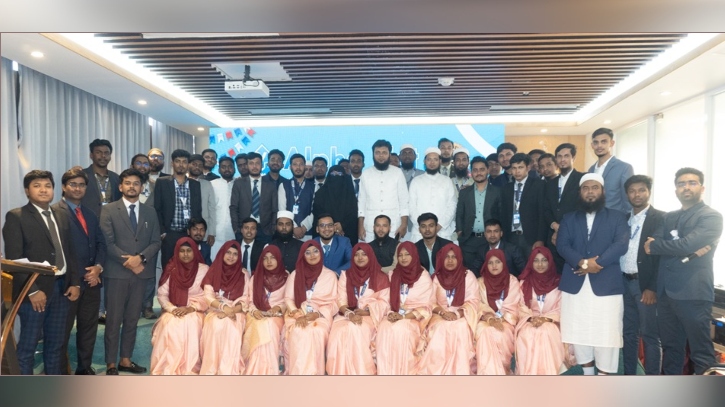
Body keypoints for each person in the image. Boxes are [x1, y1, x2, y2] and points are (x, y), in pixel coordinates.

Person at [646, 167, 723, 375]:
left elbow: (685, 245)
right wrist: (677, 246)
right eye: (681, 184)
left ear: (702, 188)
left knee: (701, 353)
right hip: (666, 294)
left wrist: (662, 246)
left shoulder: (711, 216)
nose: (686, 187)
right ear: (676, 190)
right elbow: (653, 244)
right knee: (671, 349)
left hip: (693, 293)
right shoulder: (668, 217)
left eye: (692, 183)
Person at [3, 170, 81, 375]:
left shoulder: (61, 214)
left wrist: (74, 282)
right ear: (27, 191)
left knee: (56, 346)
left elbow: (70, 252)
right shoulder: (16, 216)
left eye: (47, 186)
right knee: (27, 347)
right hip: (34, 292)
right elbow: (15, 260)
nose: (43, 190)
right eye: (37, 186)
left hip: (62, 289)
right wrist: (32, 291)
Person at [557, 173, 629, 375]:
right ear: (580, 192)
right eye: (586, 188)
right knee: (579, 332)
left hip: (607, 285)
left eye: (595, 187)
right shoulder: (569, 218)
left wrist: (597, 263)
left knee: (606, 333)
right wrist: (582, 262)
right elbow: (562, 245)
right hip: (576, 284)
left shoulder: (617, 217)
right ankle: (588, 377)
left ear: (603, 191)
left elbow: (621, 244)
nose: (590, 192)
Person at [99, 168, 162, 375]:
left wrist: (140, 258)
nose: (132, 187)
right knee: (113, 319)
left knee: (132, 319)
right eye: (128, 183)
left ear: (141, 187)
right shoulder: (109, 210)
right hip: (117, 273)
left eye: (136, 183)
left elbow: (155, 242)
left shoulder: (150, 212)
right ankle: (110, 362)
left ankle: (125, 360)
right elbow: (107, 243)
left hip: (141, 274)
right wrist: (130, 261)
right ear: (120, 186)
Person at [53, 168, 106, 375]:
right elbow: (60, 251)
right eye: (73, 184)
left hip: (92, 282)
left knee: (88, 329)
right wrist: (75, 279)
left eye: (81, 185)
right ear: (64, 187)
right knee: (61, 332)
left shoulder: (90, 214)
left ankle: (84, 369)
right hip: (67, 285)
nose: (77, 188)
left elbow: (101, 244)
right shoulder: (54, 213)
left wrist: (98, 268)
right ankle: (59, 372)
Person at [618, 175, 664, 375]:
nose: (637, 194)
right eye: (632, 191)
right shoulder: (623, 219)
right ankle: (630, 376)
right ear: (627, 194)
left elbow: (662, 258)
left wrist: (652, 287)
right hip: (623, 283)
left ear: (649, 192)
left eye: (641, 190)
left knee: (650, 336)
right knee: (628, 334)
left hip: (644, 285)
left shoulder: (661, 218)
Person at [326, 243, 391, 375]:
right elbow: (341, 299)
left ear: (370, 256)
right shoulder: (346, 275)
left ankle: (361, 373)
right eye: (356, 255)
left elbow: (385, 303)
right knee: (338, 333)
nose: (360, 258)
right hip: (346, 315)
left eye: (364, 254)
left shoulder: (381, 277)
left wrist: (366, 311)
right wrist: (350, 314)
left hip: (370, 316)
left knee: (355, 329)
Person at [417, 244, 480, 375]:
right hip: (440, 314)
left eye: (453, 257)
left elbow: (473, 301)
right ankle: (438, 371)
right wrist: (442, 312)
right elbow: (430, 301)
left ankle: (459, 371)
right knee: (440, 327)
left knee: (460, 327)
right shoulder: (436, 277)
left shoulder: (468, 276)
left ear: (459, 258)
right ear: (441, 259)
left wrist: (457, 314)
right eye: (447, 257)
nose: (450, 260)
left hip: (462, 314)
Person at [150, 238, 209, 375]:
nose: (185, 254)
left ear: (195, 252)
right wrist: (172, 309)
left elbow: (208, 295)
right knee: (170, 324)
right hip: (174, 309)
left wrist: (191, 308)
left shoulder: (203, 270)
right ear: (177, 252)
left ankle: (189, 368)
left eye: (189, 251)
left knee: (191, 323)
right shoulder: (172, 269)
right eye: (182, 251)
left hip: (195, 310)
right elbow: (162, 294)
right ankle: (169, 366)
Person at [375, 242, 433, 375]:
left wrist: (404, 316)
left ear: (414, 255)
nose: (403, 258)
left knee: (402, 330)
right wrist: (391, 313)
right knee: (384, 328)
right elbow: (386, 299)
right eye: (400, 255)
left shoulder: (423, 276)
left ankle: (405, 374)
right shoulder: (393, 274)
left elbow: (426, 306)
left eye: (407, 254)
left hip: (414, 318)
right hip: (394, 314)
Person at [282, 240, 339, 375]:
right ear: (303, 255)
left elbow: (334, 303)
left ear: (321, 253)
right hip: (297, 314)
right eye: (307, 253)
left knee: (316, 331)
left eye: (315, 251)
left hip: (321, 316)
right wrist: (298, 315)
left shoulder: (330, 276)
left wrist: (317, 314)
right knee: (298, 330)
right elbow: (288, 299)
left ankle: (315, 374)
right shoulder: (295, 274)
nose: (312, 255)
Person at [199, 240, 250, 375]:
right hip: (216, 309)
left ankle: (228, 370)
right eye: (228, 253)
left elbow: (246, 297)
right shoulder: (213, 271)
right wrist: (223, 307)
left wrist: (230, 311)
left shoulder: (244, 274)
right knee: (216, 325)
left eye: (235, 254)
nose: (231, 257)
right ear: (222, 253)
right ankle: (212, 368)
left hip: (236, 311)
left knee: (232, 327)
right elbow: (208, 296)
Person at [515, 247, 569, 375]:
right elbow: (520, 305)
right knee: (528, 333)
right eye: (536, 260)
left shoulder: (559, 283)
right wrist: (531, 318)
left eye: (544, 260)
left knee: (545, 331)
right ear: (531, 262)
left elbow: (562, 307)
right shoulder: (524, 283)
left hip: (552, 322)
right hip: (529, 320)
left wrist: (546, 319)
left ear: (550, 262)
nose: (540, 264)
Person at [241, 245, 289, 375]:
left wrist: (278, 308)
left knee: (269, 324)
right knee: (259, 324)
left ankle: (270, 369)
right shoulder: (255, 278)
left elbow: (289, 299)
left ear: (278, 259)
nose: (269, 261)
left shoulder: (286, 277)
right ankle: (255, 369)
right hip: (255, 313)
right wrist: (254, 311)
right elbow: (249, 300)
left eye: (272, 258)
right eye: (265, 258)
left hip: (277, 315)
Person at [474, 249, 521, 375]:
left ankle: (501, 371)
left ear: (504, 263)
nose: (494, 266)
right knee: (485, 331)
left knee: (500, 333)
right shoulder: (480, 282)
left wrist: (501, 319)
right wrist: (490, 317)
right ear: (486, 264)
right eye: (490, 263)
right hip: (486, 320)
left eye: (498, 262)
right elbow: (478, 303)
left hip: (506, 321)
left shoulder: (512, 281)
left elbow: (513, 304)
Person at [154, 149, 203, 269]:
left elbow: (197, 210)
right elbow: (157, 209)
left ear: (188, 164)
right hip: (169, 234)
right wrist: (163, 232)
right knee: (169, 268)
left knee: (188, 268)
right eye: (177, 161)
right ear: (172, 163)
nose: (181, 165)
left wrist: (195, 232)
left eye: (184, 162)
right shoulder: (162, 182)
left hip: (188, 233)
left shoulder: (195, 184)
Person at [358, 139, 410, 243]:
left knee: (393, 252)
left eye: (384, 153)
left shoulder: (397, 173)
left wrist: (404, 224)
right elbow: (362, 201)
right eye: (377, 153)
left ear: (389, 155)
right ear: (373, 155)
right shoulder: (366, 174)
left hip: (394, 227)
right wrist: (360, 226)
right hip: (370, 227)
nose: (381, 156)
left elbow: (404, 200)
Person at [543, 143, 584, 272]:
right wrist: (554, 225)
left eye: (566, 156)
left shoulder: (582, 179)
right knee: (555, 274)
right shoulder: (550, 183)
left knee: (574, 272)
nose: (562, 159)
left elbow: (582, 208)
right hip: (553, 238)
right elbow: (546, 209)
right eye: (559, 156)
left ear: (573, 158)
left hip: (574, 235)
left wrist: (562, 229)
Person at [456, 156, 503, 270]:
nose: (479, 173)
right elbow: (459, 213)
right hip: (469, 240)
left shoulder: (498, 191)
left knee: (491, 271)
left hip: (490, 240)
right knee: (470, 273)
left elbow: (502, 214)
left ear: (488, 170)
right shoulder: (464, 192)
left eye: (482, 169)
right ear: (471, 172)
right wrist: (460, 231)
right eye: (475, 170)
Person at [500, 152, 546, 258]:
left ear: (528, 167)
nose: (517, 171)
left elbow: (542, 213)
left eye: (520, 167)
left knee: (530, 266)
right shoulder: (506, 188)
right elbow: (503, 214)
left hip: (531, 237)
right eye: (514, 168)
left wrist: (540, 239)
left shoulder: (538, 185)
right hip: (511, 236)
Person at [408, 147, 457, 242]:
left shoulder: (446, 181)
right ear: (424, 161)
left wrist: (440, 225)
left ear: (440, 161)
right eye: (429, 159)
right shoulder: (416, 181)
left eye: (435, 159)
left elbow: (452, 205)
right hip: (419, 233)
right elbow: (411, 206)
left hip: (443, 231)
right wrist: (422, 226)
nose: (432, 162)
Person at [230, 151, 278, 244]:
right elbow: (234, 207)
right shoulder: (239, 184)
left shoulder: (270, 184)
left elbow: (274, 209)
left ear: (262, 165)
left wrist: (272, 228)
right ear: (247, 165)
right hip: (244, 229)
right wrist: (236, 228)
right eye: (251, 163)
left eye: (257, 163)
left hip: (265, 230)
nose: (254, 166)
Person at [588, 127, 634, 213]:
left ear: (611, 143)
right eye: (596, 142)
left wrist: (626, 219)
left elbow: (628, 200)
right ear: (592, 145)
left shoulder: (624, 168)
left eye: (604, 142)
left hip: (615, 218)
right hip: (594, 217)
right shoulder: (591, 169)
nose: (599, 146)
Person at [312, 165, 359, 244]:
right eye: (333, 174)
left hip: (347, 234)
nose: (336, 177)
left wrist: (342, 225)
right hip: (325, 232)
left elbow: (353, 214)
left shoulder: (350, 194)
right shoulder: (320, 194)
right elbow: (318, 213)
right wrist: (332, 226)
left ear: (344, 176)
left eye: (339, 174)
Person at [278, 153, 316, 241]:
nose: (298, 167)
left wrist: (304, 227)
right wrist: (294, 227)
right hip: (289, 232)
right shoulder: (283, 185)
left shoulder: (314, 186)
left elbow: (315, 210)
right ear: (290, 167)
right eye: (295, 164)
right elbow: (282, 210)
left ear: (305, 166)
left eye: (301, 164)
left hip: (308, 232)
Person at [81, 139, 122, 219]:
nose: (103, 156)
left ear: (110, 156)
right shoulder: (82, 175)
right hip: (88, 220)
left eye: (106, 153)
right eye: (98, 152)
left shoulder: (116, 178)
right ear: (91, 155)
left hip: (111, 221)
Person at [187, 153, 217, 247]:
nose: (197, 167)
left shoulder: (207, 184)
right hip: (184, 230)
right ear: (188, 165)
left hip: (203, 233)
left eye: (200, 165)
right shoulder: (181, 183)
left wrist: (211, 232)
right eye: (194, 164)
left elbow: (212, 208)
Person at [210, 156, 237, 258]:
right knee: (215, 261)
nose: (227, 169)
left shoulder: (239, 184)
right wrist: (210, 232)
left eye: (230, 167)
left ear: (234, 168)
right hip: (216, 234)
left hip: (234, 233)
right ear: (219, 169)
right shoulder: (212, 184)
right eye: (223, 167)